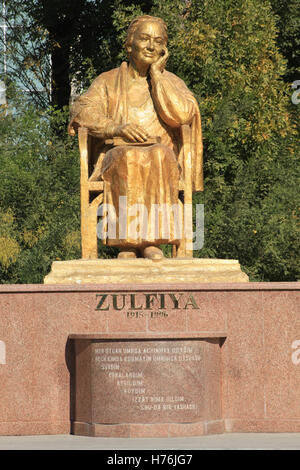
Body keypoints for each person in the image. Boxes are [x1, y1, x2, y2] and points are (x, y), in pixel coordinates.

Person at [68, 15, 203, 260]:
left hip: (160, 155)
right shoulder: (107, 81)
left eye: (158, 41)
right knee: (129, 157)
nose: (151, 46)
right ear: (129, 45)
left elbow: (184, 114)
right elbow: (81, 111)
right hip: (116, 154)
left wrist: (158, 78)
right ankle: (127, 244)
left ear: (164, 49)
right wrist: (116, 128)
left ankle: (152, 241)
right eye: (145, 39)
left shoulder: (171, 82)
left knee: (159, 155)